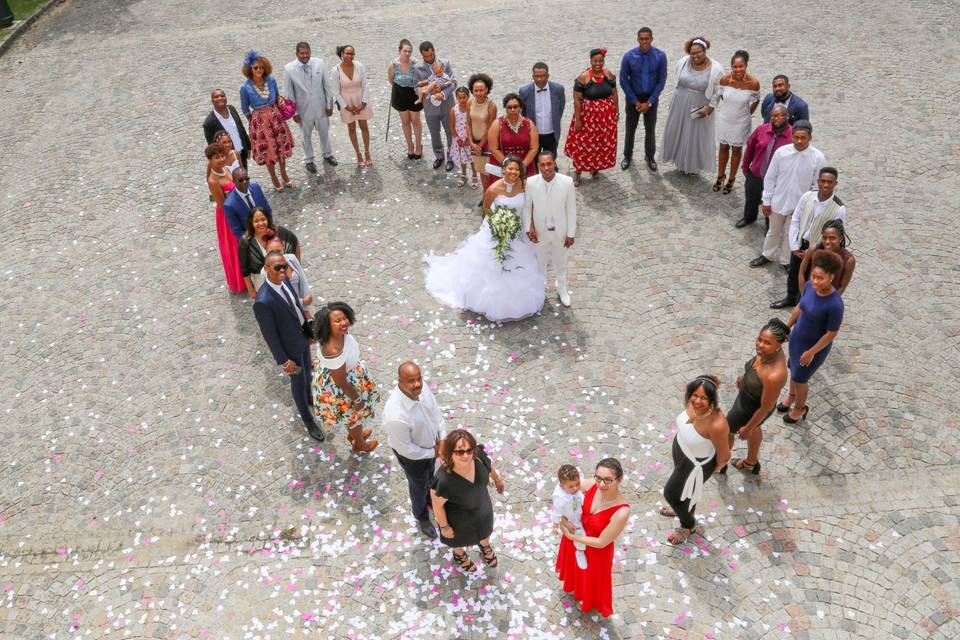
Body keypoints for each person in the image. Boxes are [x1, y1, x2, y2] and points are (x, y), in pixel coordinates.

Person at [424, 156, 546, 322]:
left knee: (520, 263)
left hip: (518, 232)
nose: (513, 172)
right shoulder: (493, 189)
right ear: (503, 170)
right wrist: (497, 224)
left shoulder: (525, 186)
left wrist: (531, 226)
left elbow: (530, 206)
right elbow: (487, 210)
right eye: (510, 169)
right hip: (497, 231)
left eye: (516, 169)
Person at [253, 251, 324, 442]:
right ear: (266, 269)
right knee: (298, 384)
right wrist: (283, 361)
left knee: (308, 375)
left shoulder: (284, 281)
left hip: (301, 339)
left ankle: (310, 398)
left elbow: (296, 308)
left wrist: (309, 332)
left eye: (284, 266)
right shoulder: (263, 301)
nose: (283, 270)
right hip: (289, 349)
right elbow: (270, 336)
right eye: (277, 267)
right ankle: (308, 421)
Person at [659, 375, 730, 544]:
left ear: (712, 400)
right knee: (684, 493)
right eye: (695, 395)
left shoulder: (717, 424)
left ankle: (688, 524)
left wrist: (711, 470)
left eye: (704, 398)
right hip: (682, 453)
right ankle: (681, 508)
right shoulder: (692, 404)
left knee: (671, 493)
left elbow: (725, 454)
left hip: (696, 465)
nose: (697, 401)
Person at [555, 458, 630, 618]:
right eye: (598, 478)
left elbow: (602, 542)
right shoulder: (591, 484)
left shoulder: (622, 511)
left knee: (591, 580)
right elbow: (562, 493)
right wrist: (562, 519)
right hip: (576, 539)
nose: (602, 484)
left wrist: (571, 535)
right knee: (576, 570)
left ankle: (588, 600)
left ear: (620, 480)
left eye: (608, 480)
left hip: (596, 552)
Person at [382, 361, 447, 539]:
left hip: (433, 445)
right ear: (400, 382)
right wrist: (433, 452)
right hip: (412, 457)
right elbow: (405, 448)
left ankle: (430, 499)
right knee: (418, 484)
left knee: (432, 477)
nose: (417, 384)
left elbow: (435, 413)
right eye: (411, 381)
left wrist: (442, 439)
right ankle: (421, 516)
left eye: (419, 379)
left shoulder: (422, 388)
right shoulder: (395, 415)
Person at [749, 121, 825, 269]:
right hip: (778, 200)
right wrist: (766, 201)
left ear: (810, 137)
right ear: (791, 136)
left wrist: (809, 207)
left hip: (799, 206)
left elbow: (817, 186)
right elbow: (770, 177)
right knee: (773, 230)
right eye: (796, 137)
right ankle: (767, 254)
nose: (799, 141)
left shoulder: (818, 158)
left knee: (792, 234)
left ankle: (786, 260)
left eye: (803, 138)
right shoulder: (781, 153)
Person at [780, 251, 845, 423]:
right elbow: (800, 307)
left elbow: (831, 333)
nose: (815, 281)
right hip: (797, 339)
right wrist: (787, 327)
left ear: (831, 277)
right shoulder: (809, 286)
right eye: (814, 276)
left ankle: (800, 408)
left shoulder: (835, 304)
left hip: (814, 348)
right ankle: (791, 396)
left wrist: (812, 352)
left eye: (820, 278)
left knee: (801, 378)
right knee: (793, 370)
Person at [719, 319, 789, 476]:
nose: (760, 345)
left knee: (728, 430)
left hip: (752, 409)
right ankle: (751, 462)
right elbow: (755, 369)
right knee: (755, 429)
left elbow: (765, 408)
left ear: (779, 345)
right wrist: (744, 379)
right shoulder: (766, 353)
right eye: (759, 339)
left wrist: (748, 428)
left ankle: (721, 463)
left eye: (767, 343)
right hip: (746, 398)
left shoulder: (775, 375)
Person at [431, 429, 505, 572]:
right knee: (457, 540)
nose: (466, 455)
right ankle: (459, 553)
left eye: (469, 450)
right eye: (460, 451)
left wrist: (497, 479)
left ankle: (485, 545)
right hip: (458, 518)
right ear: (450, 452)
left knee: (484, 531)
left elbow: (489, 468)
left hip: (482, 508)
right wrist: (445, 527)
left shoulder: (478, 457)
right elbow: (437, 505)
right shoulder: (444, 480)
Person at [772, 167, 847, 308]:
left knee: (812, 278)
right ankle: (790, 298)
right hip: (800, 244)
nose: (825, 185)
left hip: (820, 250)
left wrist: (816, 248)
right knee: (794, 273)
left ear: (835, 183)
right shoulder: (807, 196)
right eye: (823, 181)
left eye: (829, 182)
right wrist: (794, 246)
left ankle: (805, 305)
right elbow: (796, 219)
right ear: (818, 181)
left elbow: (835, 235)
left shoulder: (839, 208)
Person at [311, 302, 380, 453]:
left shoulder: (337, 334)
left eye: (344, 318)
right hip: (343, 386)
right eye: (337, 321)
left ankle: (356, 435)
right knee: (354, 416)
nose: (343, 323)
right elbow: (341, 381)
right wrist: (357, 399)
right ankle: (360, 444)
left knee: (353, 417)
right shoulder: (333, 349)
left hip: (349, 374)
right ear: (328, 326)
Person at [660, 37, 724, 175]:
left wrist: (710, 108)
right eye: (692, 53)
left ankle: (692, 165)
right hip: (679, 103)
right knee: (678, 131)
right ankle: (679, 160)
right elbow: (678, 78)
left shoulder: (716, 69)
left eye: (698, 52)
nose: (695, 56)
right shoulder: (683, 62)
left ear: (705, 50)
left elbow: (718, 90)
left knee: (695, 135)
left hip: (699, 104)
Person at [523, 151, 577, 307]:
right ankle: (541, 288)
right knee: (540, 262)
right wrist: (529, 228)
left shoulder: (567, 182)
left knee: (561, 262)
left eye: (549, 164)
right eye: (542, 165)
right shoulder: (531, 182)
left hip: (560, 231)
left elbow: (571, 209)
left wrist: (571, 233)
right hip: (539, 231)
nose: (546, 168)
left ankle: (562, 288)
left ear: (554, 163)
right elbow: (527, 207)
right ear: (538, 166)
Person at [239, 51, 294, 191]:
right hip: (260, 122)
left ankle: (284, 174)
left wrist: (280, 103)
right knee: (268, 151)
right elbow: (245, 108)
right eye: (255, 67)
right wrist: (255, 123)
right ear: (249, 69)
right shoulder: (245, 87)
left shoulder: (271, 80)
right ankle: (274, 178)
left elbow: (276, 97)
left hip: (275, 118)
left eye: (261, 67)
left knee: (281, 147)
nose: (259, 70)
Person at [564, 48, 618, 186]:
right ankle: (578, 171)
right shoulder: (583, 78)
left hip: (605, 117)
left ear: (604, 61)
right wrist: (578, 120)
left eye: (600, 61)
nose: (598, 64)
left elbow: (614, 93)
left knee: (600, 143)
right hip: (588, 118)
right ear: (591, 61)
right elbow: (577, 99)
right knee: (583, 144)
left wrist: (616, 111)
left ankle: (594, 167)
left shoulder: (608, 75)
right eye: (595, 61)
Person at [283, 41, 338, 174]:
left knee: (325, 132)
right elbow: (289, 92)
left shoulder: (319, 63)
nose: (305, 55)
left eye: (307, 53)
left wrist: (329, 104)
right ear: (297, 54)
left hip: (320, 106)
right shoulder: (289, 69)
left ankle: (327, 154)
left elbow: (327, 85)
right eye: (302, 53)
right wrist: (294, 112)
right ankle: (309, 159)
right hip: (303, 109)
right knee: (305, 135)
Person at [735, 103, 792, 228]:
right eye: (773, 116)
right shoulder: (761, 129)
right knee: (751, 198)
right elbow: (749, 148)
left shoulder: (792, 137)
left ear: (787, 116)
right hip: (756, 174)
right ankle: (749, 217)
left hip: (777, 179)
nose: (776, 118)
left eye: (780, 115)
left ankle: (769, 226)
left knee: (772, 203)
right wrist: (745, 167)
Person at [619, 27, 668, 172]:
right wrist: (635, 101)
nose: (645, 41)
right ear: (638, 39)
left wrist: (650, 102)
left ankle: (650, 157)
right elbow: (623, 80)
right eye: (642, 39)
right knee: (630, 128)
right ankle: (627, 156)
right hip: (633, 98)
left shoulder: (660, 56)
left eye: (647, 38)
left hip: (651, 98)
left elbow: (662, 80)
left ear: (652, 39)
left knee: (650, 129)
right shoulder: (629, 56)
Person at [714, 50, 760, 194]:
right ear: (731, 66)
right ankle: (720, 175)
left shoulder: (753, 83)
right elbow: (721, 96)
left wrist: (748, 112)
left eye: (741, 66)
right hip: (725, 118)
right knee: (723, 147)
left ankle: (732, 178)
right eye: (735, 66)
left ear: (746, 66)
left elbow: (756, 100)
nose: (738, 69)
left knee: (736, 149)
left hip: (741, 122)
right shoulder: (724, 80)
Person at [205, 143, 245, 293]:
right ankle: (240, 280)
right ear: (209, 160)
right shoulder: (213, 181)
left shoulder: (227, 169)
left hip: (238, 209)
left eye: (222, 155)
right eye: (217, 157)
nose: (221, 159)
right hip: (228, 216)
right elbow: (222, 204)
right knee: (235, 247)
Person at [415, 42, 457, 171]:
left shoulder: (445, 63)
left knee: (450, 132)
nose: (429, 58)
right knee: (434, 133)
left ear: (434, 51)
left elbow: (454, 82)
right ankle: (439, 156)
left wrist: (443, 94)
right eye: (426, 56)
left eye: (431, 55)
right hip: (430, 107)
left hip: (447, 105)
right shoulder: (417, 68)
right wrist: (426, 91)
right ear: (422, 55)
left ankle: (451, 157)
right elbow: (416, 87)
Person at [239, 208, 300, 298]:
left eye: (263, 219)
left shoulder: (279, 232)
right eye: (256, 221)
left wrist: (297, 265)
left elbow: (295, 242)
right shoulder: (246, 242)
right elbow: (244, 269)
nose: (260, 223)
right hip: (262, 282)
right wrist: (251, 290)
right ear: (251, 223)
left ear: (267, 219)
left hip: (285, 277)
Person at [485, 93, 539, 190]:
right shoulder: (497, 124)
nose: (513, 109)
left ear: (520, 108)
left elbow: (534, 148)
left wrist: (522, 165)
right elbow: (493, 148)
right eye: (509, 107)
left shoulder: (529, 124)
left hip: (525, 162)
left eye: (515, 106)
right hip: (503, 162)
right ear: (505, 108)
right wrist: (508, 165)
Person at [331, 45, 373, 167]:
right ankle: (358, 154)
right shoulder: (336, 71)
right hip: (346, 102)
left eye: (352, 54)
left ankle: (367, 152)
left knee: (364, 126)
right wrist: (346, 107)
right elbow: (335, 91)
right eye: (347, 53)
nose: (349, 56)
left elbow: (365, 84)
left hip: (361, 100)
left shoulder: (359, 66)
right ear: (342, 54)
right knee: (351, 128)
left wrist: (363, 103)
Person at [519, 62, 566, 158]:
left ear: (548, 76)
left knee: (551, 158)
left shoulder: (558, 89)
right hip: (533, 134)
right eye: (536, 76)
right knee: (534, 159)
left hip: (552, 133)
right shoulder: (524, 91)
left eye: (542, 76)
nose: (539, 79)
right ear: (533, 76)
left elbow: (560, 109)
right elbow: (523, 112)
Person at [388, 38, 424, 160]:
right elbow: (391, 80)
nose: (407, 54)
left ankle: (419, 146)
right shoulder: (393, 65)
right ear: (399, 51)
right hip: (400, 95)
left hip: (413, 94)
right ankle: (410, 146)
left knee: (416, 121)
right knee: (405, 122)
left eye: (409, 51)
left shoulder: (416, 63)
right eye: (405, 51)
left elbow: (420, 80)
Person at [259, 235, 313, 316]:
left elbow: (303, 280)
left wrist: (305, 308)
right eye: (271, 252)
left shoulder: (292, 258)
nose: (276, 256)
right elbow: (274, 296)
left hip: (303, 307)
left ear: (283, 248)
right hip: (286, 312)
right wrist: (301, 302)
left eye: (278, 251)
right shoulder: (265, 272)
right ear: (266, 251)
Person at [798, 220, 855, 296]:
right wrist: (804, 295)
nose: (827, 242)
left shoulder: (848, 260)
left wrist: (829, 302)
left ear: (841, 238)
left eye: (832, 238)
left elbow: (842, 286)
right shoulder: (814, 249)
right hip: (809, 295)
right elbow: (801, 272)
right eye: (824, 238)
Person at [204, 89, 251, 169]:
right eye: (216, 97)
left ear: (226, 97)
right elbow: (212, 146)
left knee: (243, 179)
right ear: (212, 101)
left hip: (242, 153)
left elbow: (241, 128)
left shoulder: (232, 109)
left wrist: (249, 147)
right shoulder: (209, 123)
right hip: (228, 161)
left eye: (222, 96)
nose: (220, 98)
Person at [552, 464, 588, 570]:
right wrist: (561, 524)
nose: (576, 488)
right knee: (578, 532)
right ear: (562, 486)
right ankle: (580, 551)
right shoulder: (560, 498)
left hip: (578, 508)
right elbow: (557, 513)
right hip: (571, 517)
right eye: (571, 487)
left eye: (577, 484)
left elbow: (579, 493)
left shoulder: (575, 490)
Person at [223, 167, 272, 243]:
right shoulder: (229, 205)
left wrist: (270, 228)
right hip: (251, 240)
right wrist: (253, 243)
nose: (245, 182)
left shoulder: (256, 188)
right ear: (234, 181)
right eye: (241, 180)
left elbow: (267, 209)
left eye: (247, 178)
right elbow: (237, 230)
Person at [467, 73, 496, 189]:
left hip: (486, 143)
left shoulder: (491, 106)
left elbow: (490, 128)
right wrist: (471, 142)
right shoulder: (470, 102)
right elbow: (468, 123)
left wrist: (480, 145)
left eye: (481, 90)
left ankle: (490, 195)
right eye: (476, 90)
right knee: (480, 170)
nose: (478, 93)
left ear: (487, 90)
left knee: (488, 171)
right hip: (474, 143)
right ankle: (485, 194)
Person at [449, 87, 475, 187]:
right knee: (462, 159)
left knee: (472, 159)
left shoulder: (472, 109)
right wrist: (457, 139)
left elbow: (474, 124)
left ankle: (474, 175)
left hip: (470, 139)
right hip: (459, 140)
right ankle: (464, 174)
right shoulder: (453, 110)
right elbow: (452, 126)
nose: (462, 100)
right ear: (456, 98)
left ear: (468, 97)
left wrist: (470, 139)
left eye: (464, 97)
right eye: (460, 98)